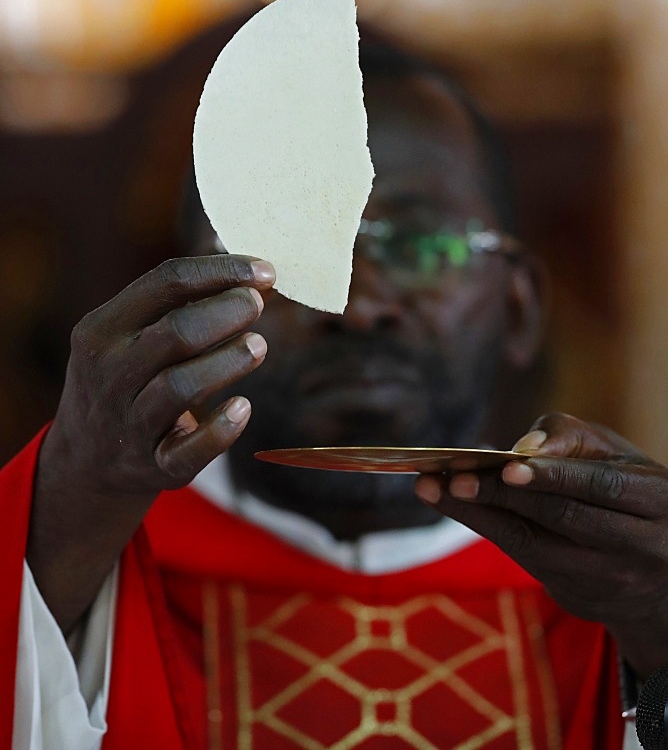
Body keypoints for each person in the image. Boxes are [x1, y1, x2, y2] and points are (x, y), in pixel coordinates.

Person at [2, 37, 666, 750]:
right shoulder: (74, 575)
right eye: (294, 247)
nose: (356, 305)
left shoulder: (620, 591)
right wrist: (50, 526)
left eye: (419, 247)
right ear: (185, 302)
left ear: (518, 308)